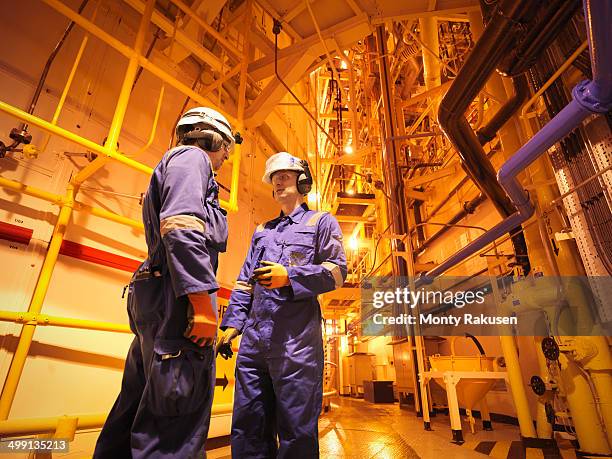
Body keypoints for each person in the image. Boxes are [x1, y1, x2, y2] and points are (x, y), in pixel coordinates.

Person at [94, 107, 237, 458]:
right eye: (225, 151)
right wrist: (204, 305)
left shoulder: (174, 162)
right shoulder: (193, 159)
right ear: (212, 138)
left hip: (154, 293)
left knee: (135, 408)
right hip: (177, 299)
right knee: (174, 422)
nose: (223, 160)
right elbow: (182, 227)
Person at [217, 151, 347, 458]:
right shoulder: (263, 230)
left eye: (285, 176)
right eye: (274, 179)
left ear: (303, 182)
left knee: (296, 428)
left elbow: (337, 272)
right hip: (254, 343)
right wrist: (233, 323)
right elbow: (244, 280)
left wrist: (289, 276)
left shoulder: (321, 222)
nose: (278, 183)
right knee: (249, 424)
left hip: (296, 344)